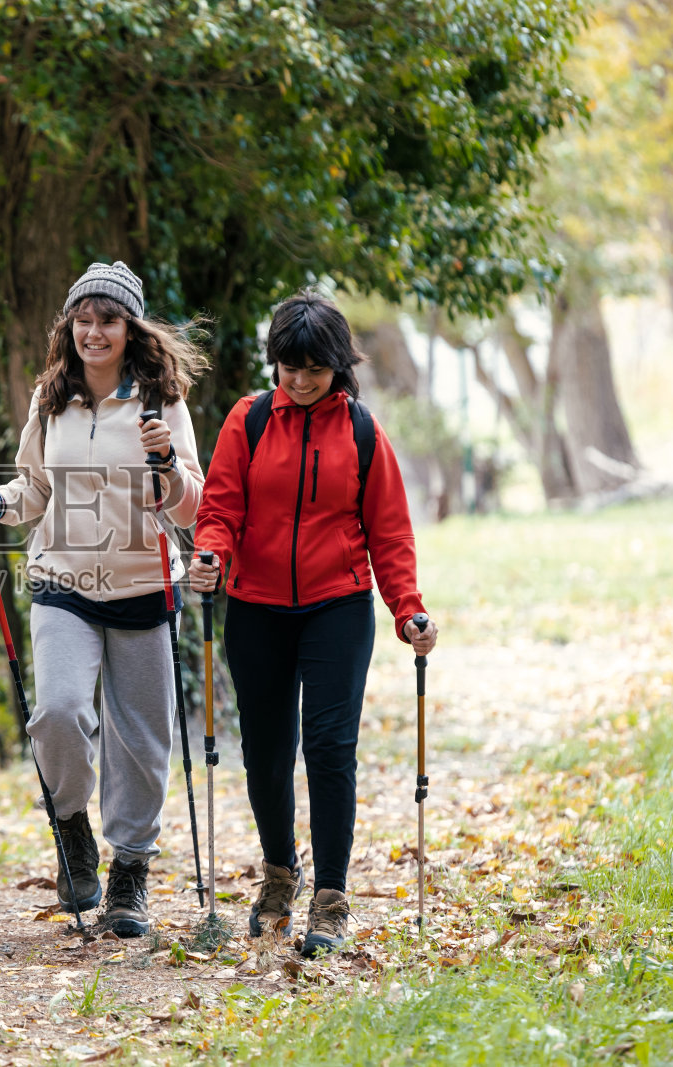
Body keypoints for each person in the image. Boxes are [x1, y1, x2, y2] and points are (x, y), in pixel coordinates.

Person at [0, 261, 207, 937]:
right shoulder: (51, 396)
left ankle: (129, 873)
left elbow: (191, 505)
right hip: (62, 580)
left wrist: (167, 466)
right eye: (84, 319)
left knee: (142, 739)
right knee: (61, 711)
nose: (94, 332)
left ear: (131, 329)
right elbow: (33, 489)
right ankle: (72, 825)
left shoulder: (162, 399)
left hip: (144, 582)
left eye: (109, 320)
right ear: (69, 324)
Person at [189, 290, 439, 957]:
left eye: (313, 369)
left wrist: (407, 607)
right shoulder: (247, 421)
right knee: (267, 753)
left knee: (330, 748)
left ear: (337, 366)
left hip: (337, 604)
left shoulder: (360, 432)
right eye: (287, 367)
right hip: (256, 606)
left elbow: (390, 532)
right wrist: (211, 552)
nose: (298, 381)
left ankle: (329, 895)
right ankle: (279, 873)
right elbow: (220, 507)